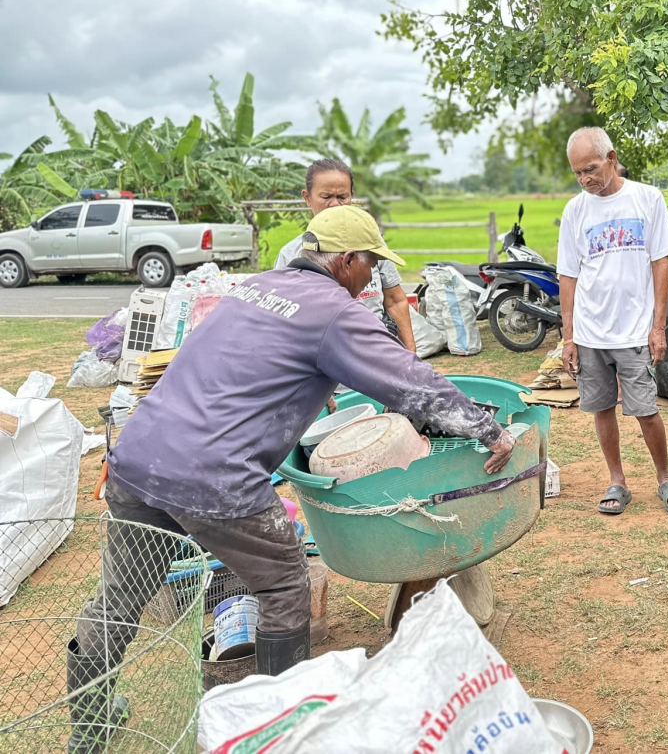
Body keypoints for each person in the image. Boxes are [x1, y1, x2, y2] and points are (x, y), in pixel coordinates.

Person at [68, 206, 515, 751]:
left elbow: (246, 363)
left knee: (119, 599)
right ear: (346, 260)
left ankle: (88, 729)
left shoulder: (259, 286)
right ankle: (280, 728)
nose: (371, 276)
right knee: (282, 583)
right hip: (215, 476)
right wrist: (487, 429)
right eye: (370, 264)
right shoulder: (334, 311)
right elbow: (408, 379)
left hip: (140, 455)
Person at [557, 127, 668, 515]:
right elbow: (569, 276)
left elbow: (660, 263)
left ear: (611, 158)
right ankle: (617, 481)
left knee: (646, 410)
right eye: (578, 173)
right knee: (601, 409)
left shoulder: (647, 199)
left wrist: (658, 326)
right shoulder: (575, 210)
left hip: (634, 330)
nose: (586, 179)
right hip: (590, 332)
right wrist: (569, 337)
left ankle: (665, 478)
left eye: (592, 168)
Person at [276, 158, 416, 353]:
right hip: (324, 357)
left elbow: (395, 300)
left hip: (376, 351)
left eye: (342, 197)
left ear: (352, 196)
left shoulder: (372, 244)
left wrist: (411, 356)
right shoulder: (290, 254)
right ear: (307, 198)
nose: (335, 205)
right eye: (326, 197)